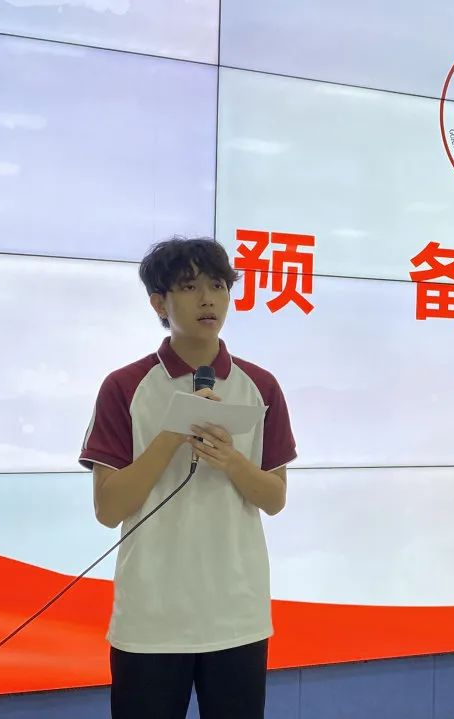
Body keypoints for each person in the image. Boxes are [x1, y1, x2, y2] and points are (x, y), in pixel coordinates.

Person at [79, 235, 296, 718]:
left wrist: (232, 461)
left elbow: (275, 498)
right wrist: (173, 433)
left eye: (218, 286)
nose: (208, 300)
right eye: (190, 287)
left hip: (236, 614)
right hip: (152, 618)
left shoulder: (260, 386)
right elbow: (108, 509)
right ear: (159, 303)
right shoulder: (125, 386)